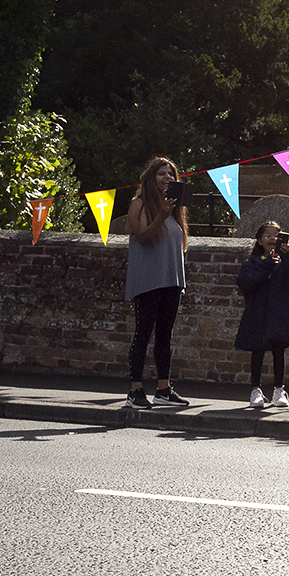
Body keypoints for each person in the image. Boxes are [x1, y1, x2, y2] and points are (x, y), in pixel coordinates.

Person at [122, 157, 191, 410]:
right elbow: (142, 238)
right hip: (148, 281)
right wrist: (161, 215)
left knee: (165, 336)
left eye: (171, 174)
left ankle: (163, 389)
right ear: (151, 178)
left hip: (172, 281)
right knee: (143, 334)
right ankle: (135, 391)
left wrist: (168, 213)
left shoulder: (175, 210)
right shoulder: (139, 205)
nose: (167, 178)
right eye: (162, 174)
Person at [235, 221, 289, 409]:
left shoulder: (286, 261)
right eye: (267, 235)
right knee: (257, 351)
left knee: (278, 351)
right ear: (259, 240)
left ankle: (279, 389)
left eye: (276, 235)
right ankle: (255, 390)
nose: (272, 238)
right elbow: (245, 282)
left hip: (279, 312)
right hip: (258, 312)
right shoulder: (252, 263)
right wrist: (266, 266)